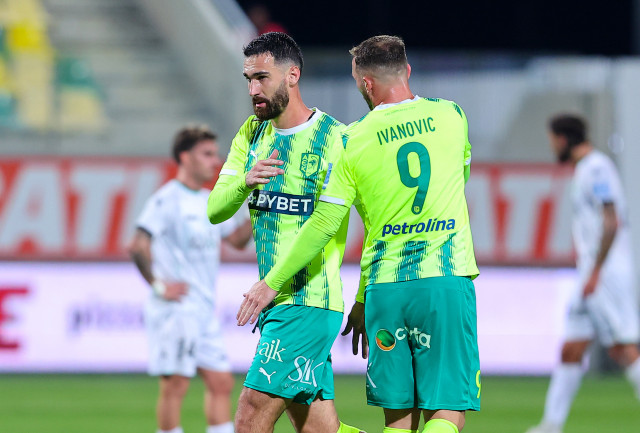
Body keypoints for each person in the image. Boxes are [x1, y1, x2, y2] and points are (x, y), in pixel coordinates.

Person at [240, 35, 481, 433]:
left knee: (398, 419)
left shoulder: (351, 139)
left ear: (366, 83)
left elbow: (324, 222)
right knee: (446, 409)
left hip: (385, 290)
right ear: (406, 70)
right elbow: (461, 176)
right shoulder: (451, 115)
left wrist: (279, 284)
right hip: (444, 280)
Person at [207, 32, 364, 433]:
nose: (253, 90)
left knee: (250, 413)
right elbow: (215, 209)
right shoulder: (251, 134)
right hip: (277, 305)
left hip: (308, 302)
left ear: (292, 75)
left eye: (262, 78)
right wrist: (245, 181)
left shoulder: (337, 139)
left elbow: (361, 221)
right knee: (320, 430)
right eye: (248, 79)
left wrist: (364, 295)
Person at [129, 125, 252, 433]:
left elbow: (237, 241)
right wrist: (159, 286)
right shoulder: (167, 200)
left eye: (215, 153)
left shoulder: (209, 199)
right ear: (185, 157)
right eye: (207, 154)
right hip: (177, 310)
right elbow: (138, 245)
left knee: (221, 382)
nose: (216, 161)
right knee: (176, 385)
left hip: (203, 308)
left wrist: (257, 203)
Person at [525, 114, 640, 433]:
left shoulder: (597, 168)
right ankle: (551, 425)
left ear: (563, 139)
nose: (552, 147)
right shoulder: (585, 170)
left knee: (621, 347)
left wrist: (597, 271)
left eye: (552, 141)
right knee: (571, 349)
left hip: (605, 273)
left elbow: (611, 220)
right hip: (591, 274)